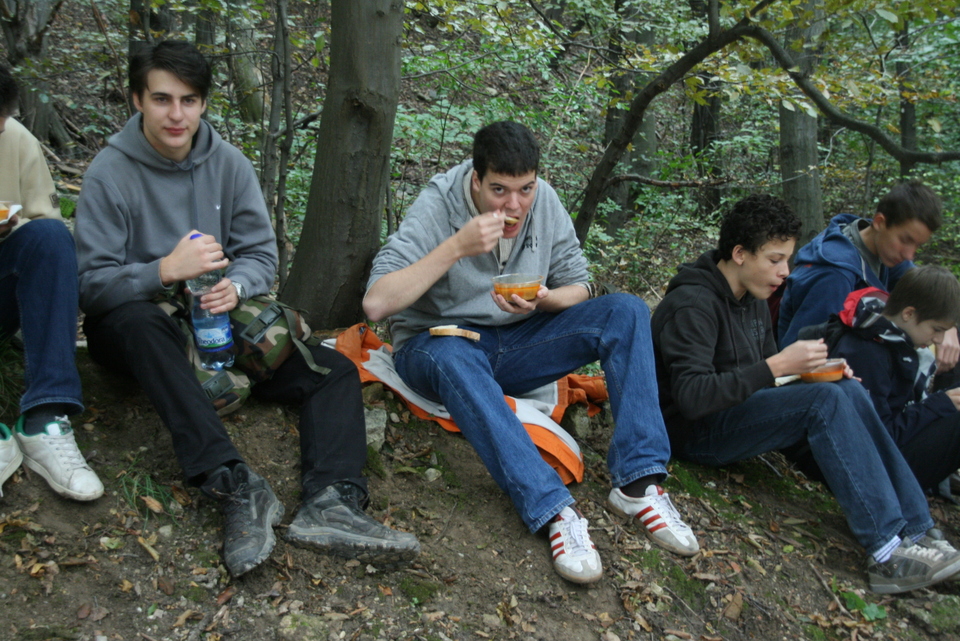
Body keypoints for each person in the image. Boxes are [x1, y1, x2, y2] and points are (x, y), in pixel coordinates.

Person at [74, 41, 419, 577]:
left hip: (216, 316)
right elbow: (90, 286)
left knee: (332, 370)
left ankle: (333, 503)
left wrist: (235, 287)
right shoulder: (109, 173)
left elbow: (260, 255)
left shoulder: (227, 164)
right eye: (162, 99)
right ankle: (233, 484)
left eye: (189, 100)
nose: (176, 114)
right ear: (138, 99)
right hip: (138, 321)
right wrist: (163, 270)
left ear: (203, 103)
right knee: (139, 323)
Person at [364, 120, 698, 585]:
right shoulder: (439, 203)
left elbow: (579, 284)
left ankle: (638, 483)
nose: (514, 205)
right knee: (454, 354)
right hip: (437, 343)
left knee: (626, 311)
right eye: (499, 190)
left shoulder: (544, 201)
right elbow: (377, 303)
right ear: (476, 180)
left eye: (525, 189)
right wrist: (457, 247)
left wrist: (545, 300)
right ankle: (554, 510)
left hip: (516, 341)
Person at [650, 194, 960, 594]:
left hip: (733, 412)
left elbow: (766, 380)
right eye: (775, 259)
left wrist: (812, 372)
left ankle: (917, 529)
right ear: (740, 254)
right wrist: (778, 365)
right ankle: (886, 552)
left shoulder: (752, 296)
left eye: (787, 260)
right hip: (692, 432)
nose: (784, 272)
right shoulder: (693, 303)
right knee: (824, 400)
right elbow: (692, 397)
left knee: (844, 387)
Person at [0, 65, 103, 501]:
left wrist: (13, 227)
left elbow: (43, 229)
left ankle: (45, 415)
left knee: (51, 237)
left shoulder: (16, 140)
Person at [798, 266, 960, 494]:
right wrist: (937, 405)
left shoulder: (898, 342)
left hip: (880, 449)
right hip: (855, 463)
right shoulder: (868, 351)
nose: (940, 339)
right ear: (908, 313)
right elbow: (876, 435)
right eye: (936, 329)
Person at [777, 182, 960, 380]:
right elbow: (803, 355)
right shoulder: (834, 275)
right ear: (880, 222)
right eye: (905, 240)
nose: (910, 255)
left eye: (917, 245)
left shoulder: (884, 250)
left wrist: (948, 327)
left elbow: (929, 295)